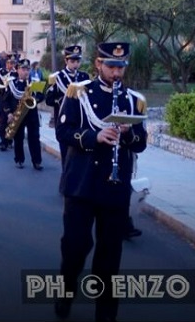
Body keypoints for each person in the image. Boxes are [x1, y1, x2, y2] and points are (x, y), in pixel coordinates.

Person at [55, 42, 148, 322]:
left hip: (114, 186)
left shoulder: (133, 100)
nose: (116, 72)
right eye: (111, 66)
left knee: (110, 255)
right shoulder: (78, 93)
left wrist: (129, 133)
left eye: (121, 67)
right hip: (82, 183)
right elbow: (63, 131)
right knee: (75, 247)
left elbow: (140, 143)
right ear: (98, 64)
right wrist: (94, 137)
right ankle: (66, 291)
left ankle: (105, 313)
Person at [46, 45, 91, 172]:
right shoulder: (57, 78)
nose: (75, 64)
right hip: (64, 121)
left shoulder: (84, 77)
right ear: (66, 61)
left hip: (81, 121)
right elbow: (49, 99)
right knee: (66, 154)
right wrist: (61, 101)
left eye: (77, 61)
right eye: (72, 61)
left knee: (80, 153)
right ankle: (66, 182)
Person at [0, 58, 46, 170]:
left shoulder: (34, 82)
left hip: (32, 113)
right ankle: (19, 159)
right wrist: (9, 113)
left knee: (34, 137)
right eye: (23, 69)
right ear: (18, 70)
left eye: (27, 69)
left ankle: (37, 161)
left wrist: (35, 98)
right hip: (18, 113)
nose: (26, 72)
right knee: (18, 137)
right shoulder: (11, 83)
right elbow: (5, 99)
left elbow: (41, 95)